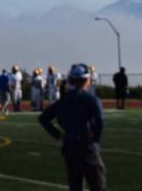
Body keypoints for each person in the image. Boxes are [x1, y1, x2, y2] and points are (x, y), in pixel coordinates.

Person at [38, 63, 106, 191]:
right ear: (87, 80)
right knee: (97, 184)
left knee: (75, 185)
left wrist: (58, 134)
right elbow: (100, 120)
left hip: (69, 146)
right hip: (86, 146)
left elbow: (43, 118)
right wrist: (95, 137)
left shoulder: (63, 100)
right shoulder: (90, 98)